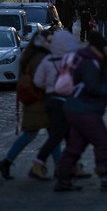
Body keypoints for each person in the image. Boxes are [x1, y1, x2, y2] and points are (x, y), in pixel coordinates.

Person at [54, 31, 107, 192]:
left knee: (75, 146)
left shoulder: (86, 58)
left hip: (75, 108)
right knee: (103, 143)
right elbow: (93, 87)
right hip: (85, 110)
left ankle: (63, 179)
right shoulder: (92, 63)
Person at [0, 31, 61, 180]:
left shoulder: (32, 55)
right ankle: (7, 162)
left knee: (50, 135)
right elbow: (41, 81)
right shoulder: (40, 58)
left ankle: (60, 167)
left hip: (38, 101)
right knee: (36, 134)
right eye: (49, 41)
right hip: (39, 102)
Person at [30, 30, 90, 180]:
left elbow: (37, 81)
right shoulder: (71, 60)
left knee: (69, 136)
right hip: (65, 101)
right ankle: (38, 163)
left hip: (51, 100)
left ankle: (73, 165)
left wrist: (50, 86)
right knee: (59, 135)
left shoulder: (47, 60)